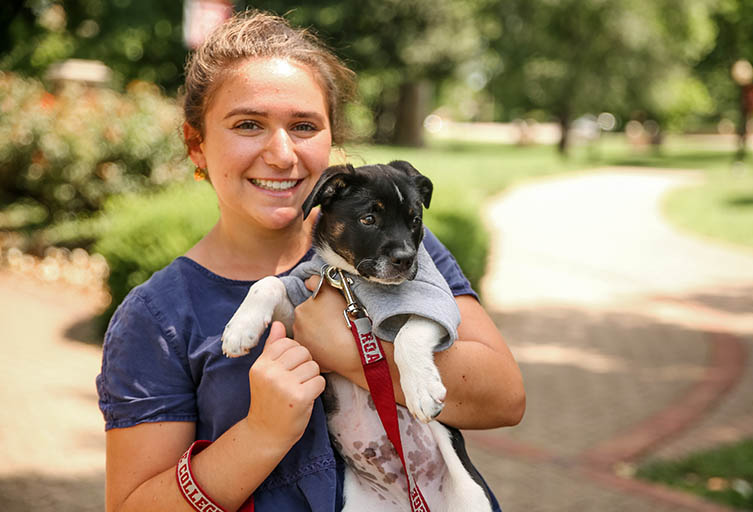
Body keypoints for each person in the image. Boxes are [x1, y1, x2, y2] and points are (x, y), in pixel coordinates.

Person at [97, 10, 525, 512]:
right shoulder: (158, 318)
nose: (281, 154)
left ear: (332, 141)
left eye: (303, 125)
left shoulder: (402, 248)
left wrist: (354, 354)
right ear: (197, 145)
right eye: (248, 124)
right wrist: (260, 435)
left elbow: (505, 400)